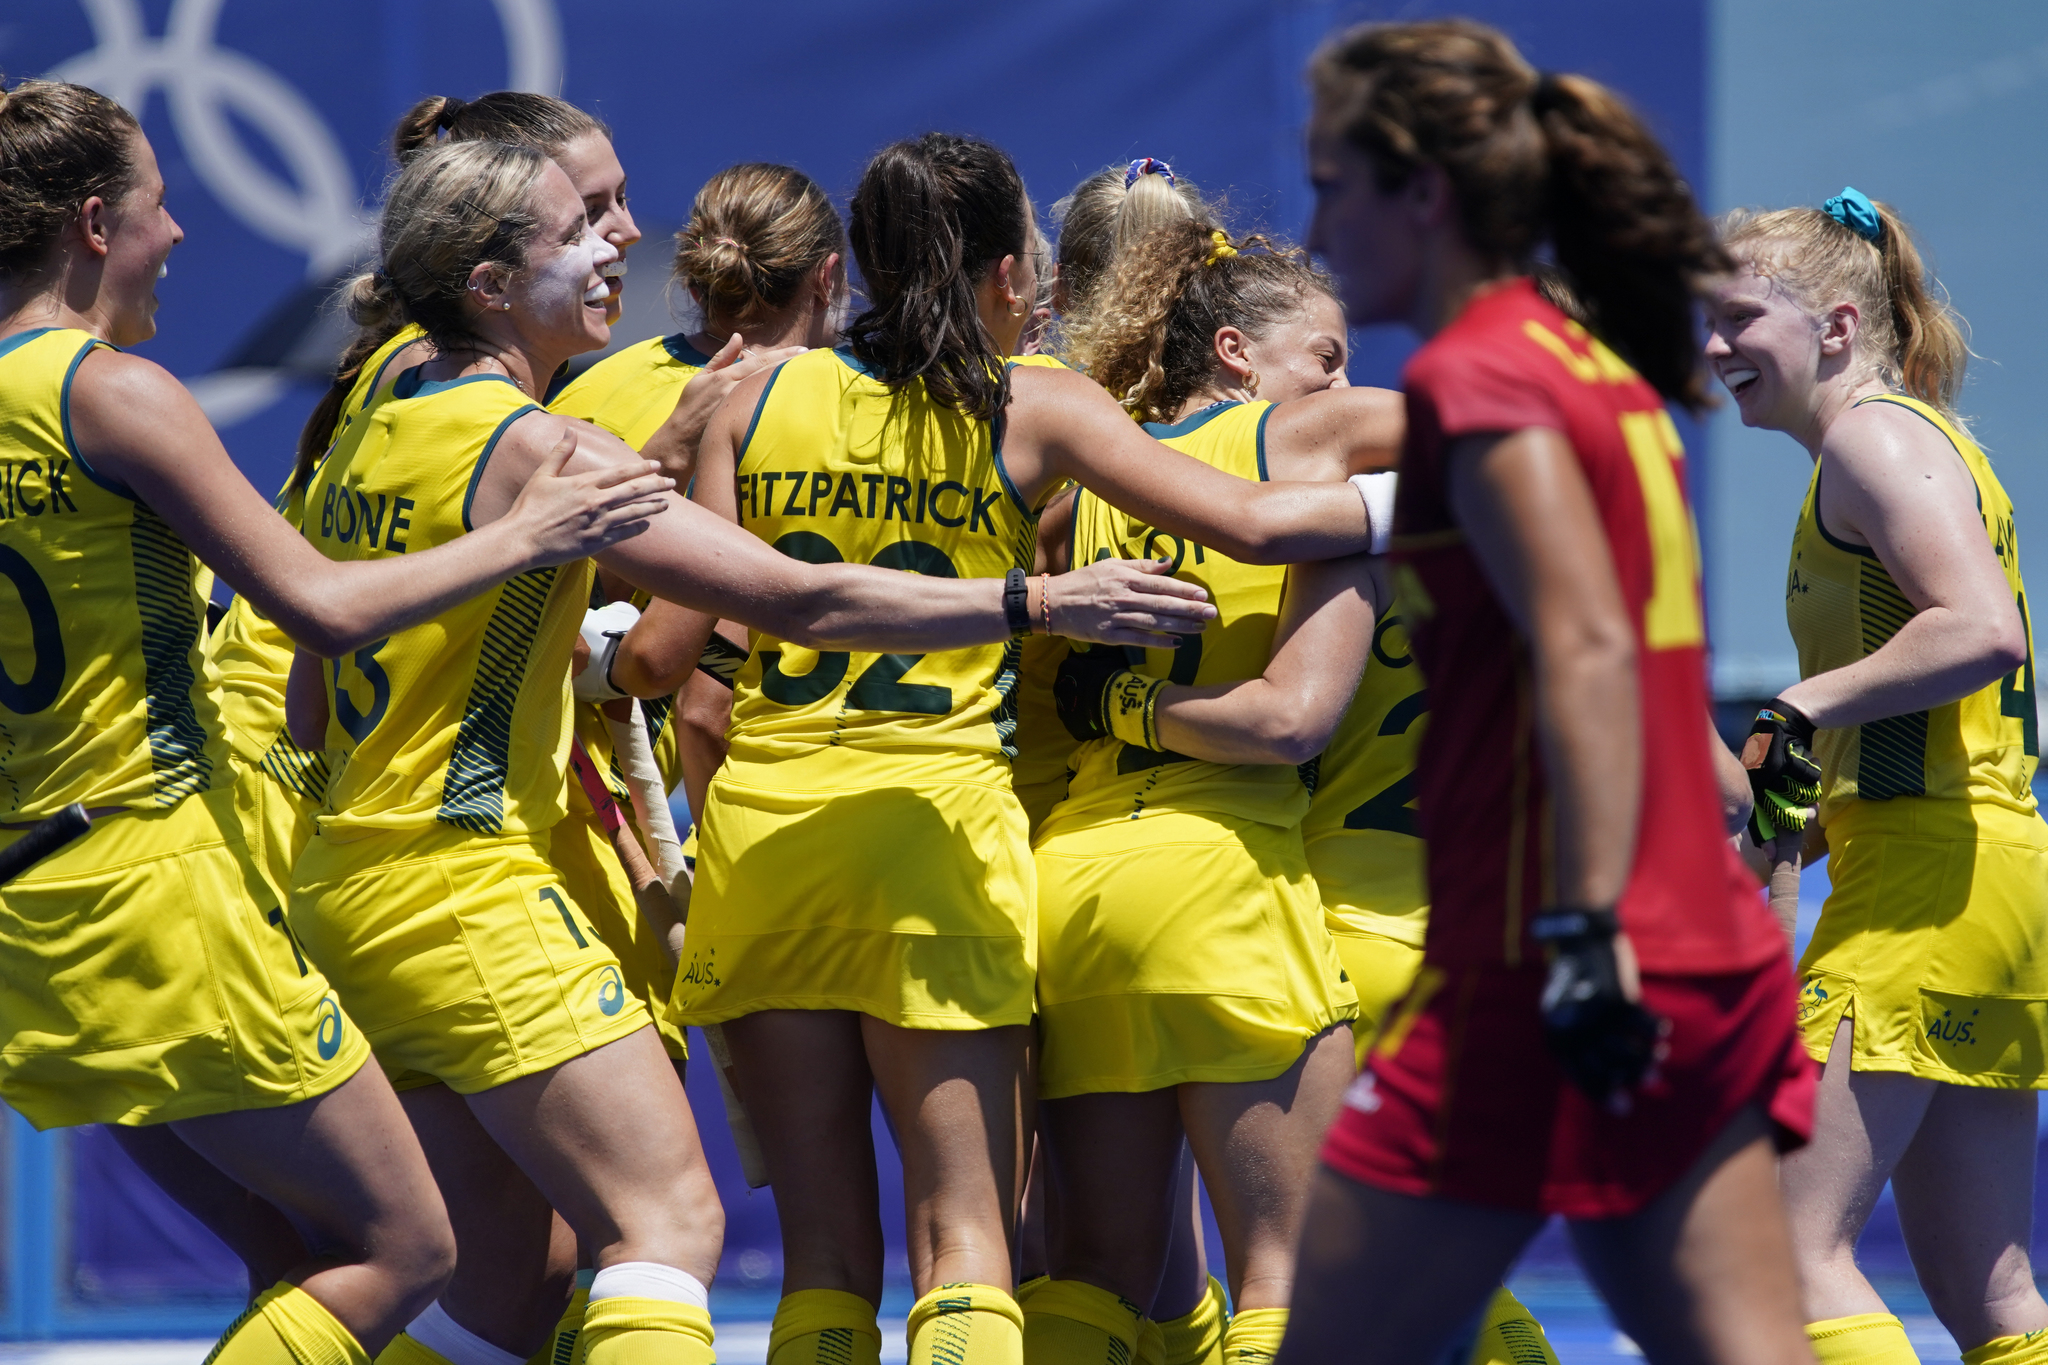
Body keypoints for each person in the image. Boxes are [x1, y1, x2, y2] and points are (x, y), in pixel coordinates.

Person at [281, 136, 1220, 1365]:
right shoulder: (1018, 403)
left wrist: (593, 654)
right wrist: (1039, 602)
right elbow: (792, 606)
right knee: (922, 1245)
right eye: (582, 227)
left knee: (509, 1278)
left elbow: (312, 696)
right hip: (888, 843)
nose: (620, 241)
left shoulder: (379, 416)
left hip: (681, 851)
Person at [672, 131, 1377, 1365]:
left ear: (855, 267)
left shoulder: (747, 400)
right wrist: (1425, 497)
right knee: (968, 1252)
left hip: (767, 838)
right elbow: (1254, 525)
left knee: (825, 1270)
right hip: (942, 843)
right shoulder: (1040, 407)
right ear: (1010, 271)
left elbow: (687, 676)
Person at [0, 77, 668, 1365]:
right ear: (93, 223)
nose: (183, 232)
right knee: (408, 1251)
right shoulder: (114, 393)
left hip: (30, 895)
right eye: (157, 203)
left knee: (300, 1259)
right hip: (150, 879)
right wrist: (530, 538)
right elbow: (321, 608)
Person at [1279, 21, 1817, 1364]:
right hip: (1688, 967)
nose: (1317, 216)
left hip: (1549, 975)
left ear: (1426, 192)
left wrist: (1583, 938)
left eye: (1335, 179)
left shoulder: (1479, 377)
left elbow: (1587, 648)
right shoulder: (1599, 376)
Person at [1024, 219, 1401, 1365]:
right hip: (1224, 877)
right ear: (1235, 352)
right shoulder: (1305, 439)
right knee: (1290, 1271)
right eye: (1324, 354)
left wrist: (1117, 709)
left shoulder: (1088, 478)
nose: (1343, 382)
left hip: (1076, 886)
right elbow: (1289, 721)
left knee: (1096, 1271)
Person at [1708, 191, 2045, 1365]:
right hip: (1973, 874)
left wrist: (1793, 709)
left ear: (1836, 327)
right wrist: (1764, 833)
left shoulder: (1875, 438)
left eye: (1737, 317)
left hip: (1924, 880)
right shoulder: (1895, 444)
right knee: (1988, 1291)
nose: (1711, 347)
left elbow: (1978, 630)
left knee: (1780, 1255)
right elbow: (1882, 719)